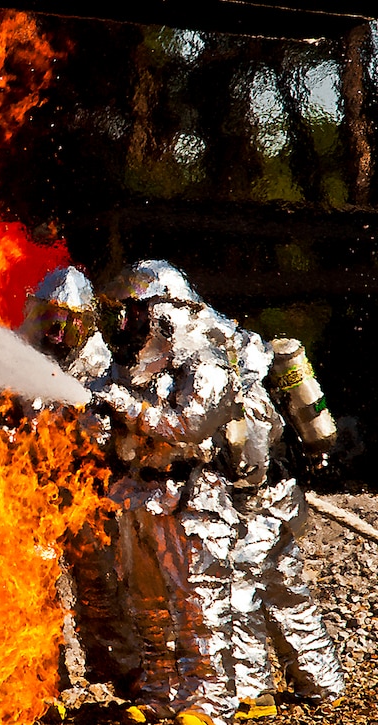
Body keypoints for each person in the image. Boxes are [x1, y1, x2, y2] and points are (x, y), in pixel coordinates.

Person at [95, 260, 242, 725]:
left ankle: (208, 704)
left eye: (138, 313)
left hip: (190, 499)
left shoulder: (206, 364)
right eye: (127, 314)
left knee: (197, 604)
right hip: (139, 497)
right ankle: (161, 693)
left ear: (167, 313)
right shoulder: (133, 368)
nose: (129, 324)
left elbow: (191, 427)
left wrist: (124, 406)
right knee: (148, 603)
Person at [18, 266, 143, 701]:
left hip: (85, 491)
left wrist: (89, 424)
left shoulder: (102, 368)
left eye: (65, 323)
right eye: (48, 319)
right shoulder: (16, 352)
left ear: (85, 324)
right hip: (28, 490)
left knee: (100, 583)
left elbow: (117, 436)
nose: (55, 333)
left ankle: (123, 672)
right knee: (31, 587)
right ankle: (40, 681)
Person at [227, 330, 345, 719]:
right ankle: (324, 684)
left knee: (241, 593)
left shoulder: (238, 390)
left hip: (259, 501)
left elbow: (250, 458)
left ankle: (253, 692)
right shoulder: (254, 369)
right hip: (280, 496)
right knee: (286, 592)